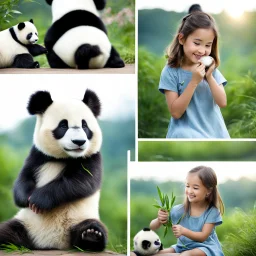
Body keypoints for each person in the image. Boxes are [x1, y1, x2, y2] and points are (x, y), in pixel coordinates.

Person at [158, 11, 230, 138]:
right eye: (197, 43)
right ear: (182, 39)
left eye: (208, 45)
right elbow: (175, 112)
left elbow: (222, 102)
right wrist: (194, 82)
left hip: (214, 132)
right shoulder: (170, 71)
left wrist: (209, 77)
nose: (202, 50)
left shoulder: (211, 70)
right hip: (186, 133)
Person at [150, 166, 225, 256]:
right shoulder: (179, 210)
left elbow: (203, 237)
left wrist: (183, 231)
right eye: (187, 186)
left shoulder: (211, 211)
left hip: (205, 249)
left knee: (186, 255)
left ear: (208, 191)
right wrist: (159, 219)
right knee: (153, 253)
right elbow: (152, 227)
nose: (190, 191)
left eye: (195, 188)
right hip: (182, 247)